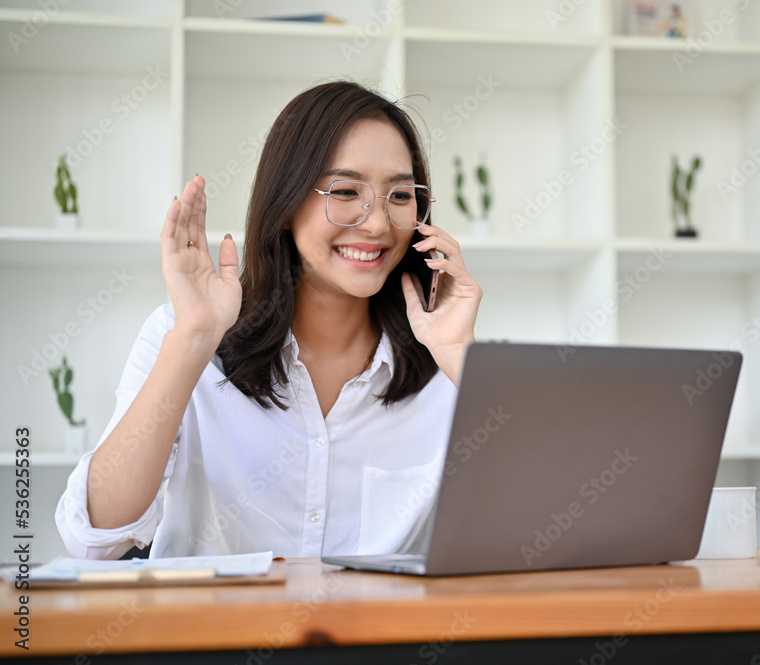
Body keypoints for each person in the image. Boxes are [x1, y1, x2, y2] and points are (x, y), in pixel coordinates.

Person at [55, 81, 483, 559]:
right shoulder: (183, 337)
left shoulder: (447, 363)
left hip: (380, 634)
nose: (379, 223)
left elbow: (544, 532)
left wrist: (461, 359)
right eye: (345, 191)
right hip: (212, 633)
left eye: (400, 196)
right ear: (285, 203)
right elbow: (94, 539)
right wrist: (193, 340)